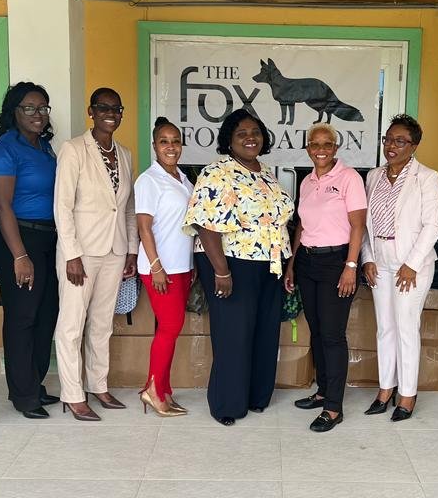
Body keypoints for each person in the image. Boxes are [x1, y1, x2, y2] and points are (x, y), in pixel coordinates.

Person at [184, 109, 294, 426]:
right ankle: (227, 404)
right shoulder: (217, 173)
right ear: (229, 140)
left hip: (268, 263)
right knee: (234, 334)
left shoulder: (266, 174)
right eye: (242, 133)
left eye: (255, 132)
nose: (250, 138)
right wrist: (221, 271)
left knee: (264, 330)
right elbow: (206, 225)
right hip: (230, 262)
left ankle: (257, 396)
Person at [53, 87, 137, 421]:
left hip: (115, 250)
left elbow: (127, 208)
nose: (110, 113)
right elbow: (62, 205)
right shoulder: (73, 149)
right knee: (72, 325)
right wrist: (72, 254)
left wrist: (131, 249)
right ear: (91, 111)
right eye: (103, 107)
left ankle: (98, 385)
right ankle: (73, 394)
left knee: (103, 324)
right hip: (81, 253)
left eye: (116, 108)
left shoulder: (126, 153)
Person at [0, 82, 59, 420]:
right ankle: (23, 394)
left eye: (43, 107)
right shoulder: (3, 150)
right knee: (23, 316)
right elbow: (2, 206)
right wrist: (19, 255)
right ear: (13, 111)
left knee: (46, 314)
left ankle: (35, 384)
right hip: (18, 239)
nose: (38, 114)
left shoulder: (44, 147)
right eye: (29, 107)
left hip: (49, 238)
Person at [360, 115, 438, 422]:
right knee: (385, 327)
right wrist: (367, 257)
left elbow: (434, 224)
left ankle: (407, 395)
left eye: (400, 141)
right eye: (388, 139)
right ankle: (385, 389)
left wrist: (411, 264)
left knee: (407, 328)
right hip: (380, 260)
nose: (391, 146)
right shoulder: (373, 176)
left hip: (412, 264)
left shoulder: (427, 177)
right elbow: (366, 225)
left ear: (414, 145)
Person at [287, 123, 367, 432]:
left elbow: (358, 226)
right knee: (317, 331)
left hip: (337, 261)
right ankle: (322, 391)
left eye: (327, 144)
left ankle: (334, 407)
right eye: (315, 144)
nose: (321, 149)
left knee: (333, 335)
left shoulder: (349, 179)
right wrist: (293, 263)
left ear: (335, 148)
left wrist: (351, 265)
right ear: (308, 148)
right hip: (307, 261)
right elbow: (303, 227)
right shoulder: (306, 182)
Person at [134, 117, 194, 417]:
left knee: (172, 329)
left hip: (182, 266)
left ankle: (163, 390)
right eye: (164, 141)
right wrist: (156, 266)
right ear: (155, 146)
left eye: (175, 141)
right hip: (161, 268)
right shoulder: (149, 180)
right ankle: (153, 391)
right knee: (169, 328)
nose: (170, 146)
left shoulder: (183, 179)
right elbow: (144, 227)